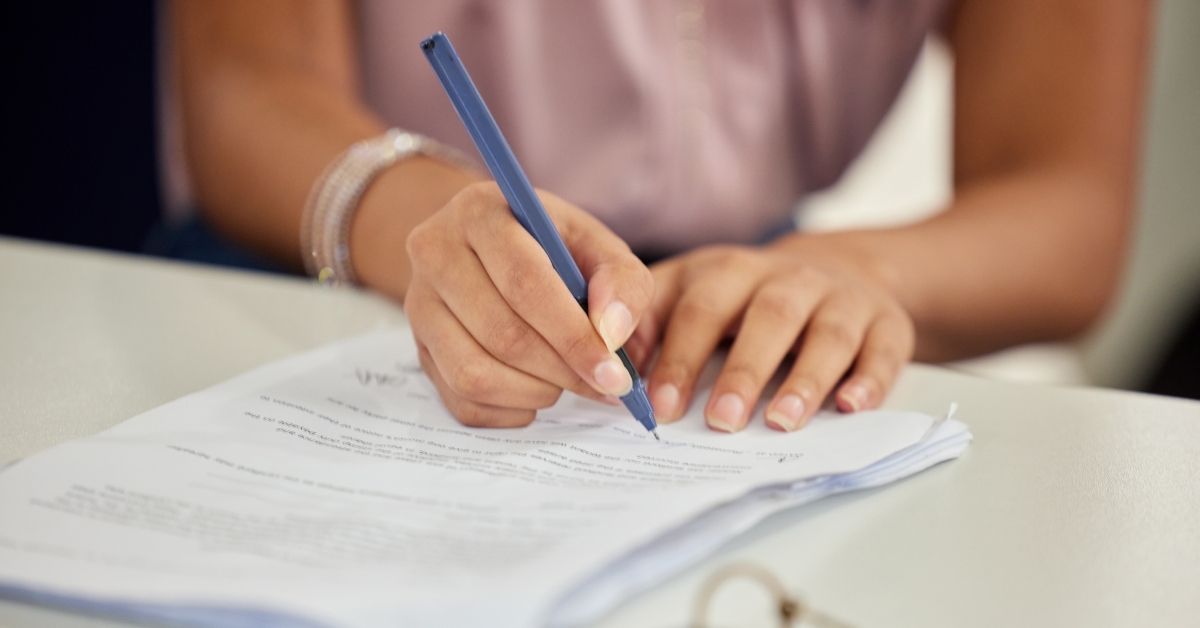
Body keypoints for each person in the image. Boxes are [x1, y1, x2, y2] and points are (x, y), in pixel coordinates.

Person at [171, 0, 1150, 433]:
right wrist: (414, 212)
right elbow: (242, 88)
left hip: (737, 298)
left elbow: (1066, 202)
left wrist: (864, 273)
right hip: (331, 266)